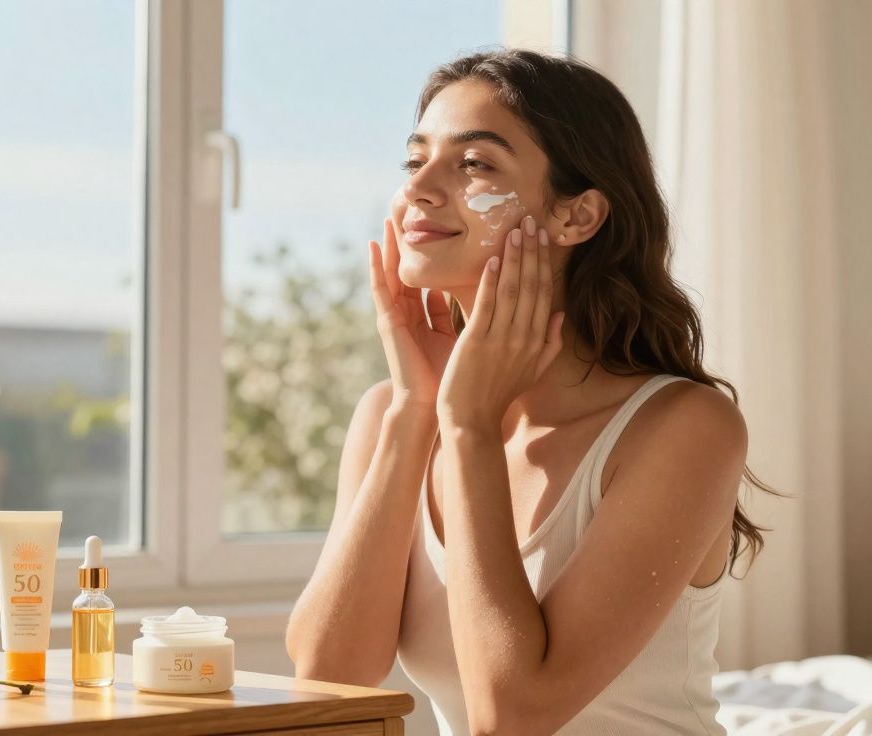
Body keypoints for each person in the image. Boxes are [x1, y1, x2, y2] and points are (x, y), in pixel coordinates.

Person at [286, 48, 780, 736]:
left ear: (576, 217)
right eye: (414, 159)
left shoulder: (684, 427)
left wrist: (469, 431)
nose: (419, 189)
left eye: (474, 164)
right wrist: (414, 414)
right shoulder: (394, 414)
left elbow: (513, 717)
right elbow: (330, 678)